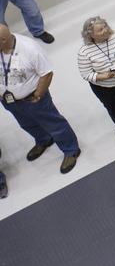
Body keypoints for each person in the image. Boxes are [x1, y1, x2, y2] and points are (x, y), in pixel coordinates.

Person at [0, 23, 80, 173]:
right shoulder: (2, 45)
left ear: (3, 40)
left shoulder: (30, 49)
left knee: (54, 124)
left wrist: (38, 95)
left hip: (33, 99)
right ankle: (43, 140)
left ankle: (71, 150)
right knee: (27, 124)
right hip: (9, 101)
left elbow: (47, 73)